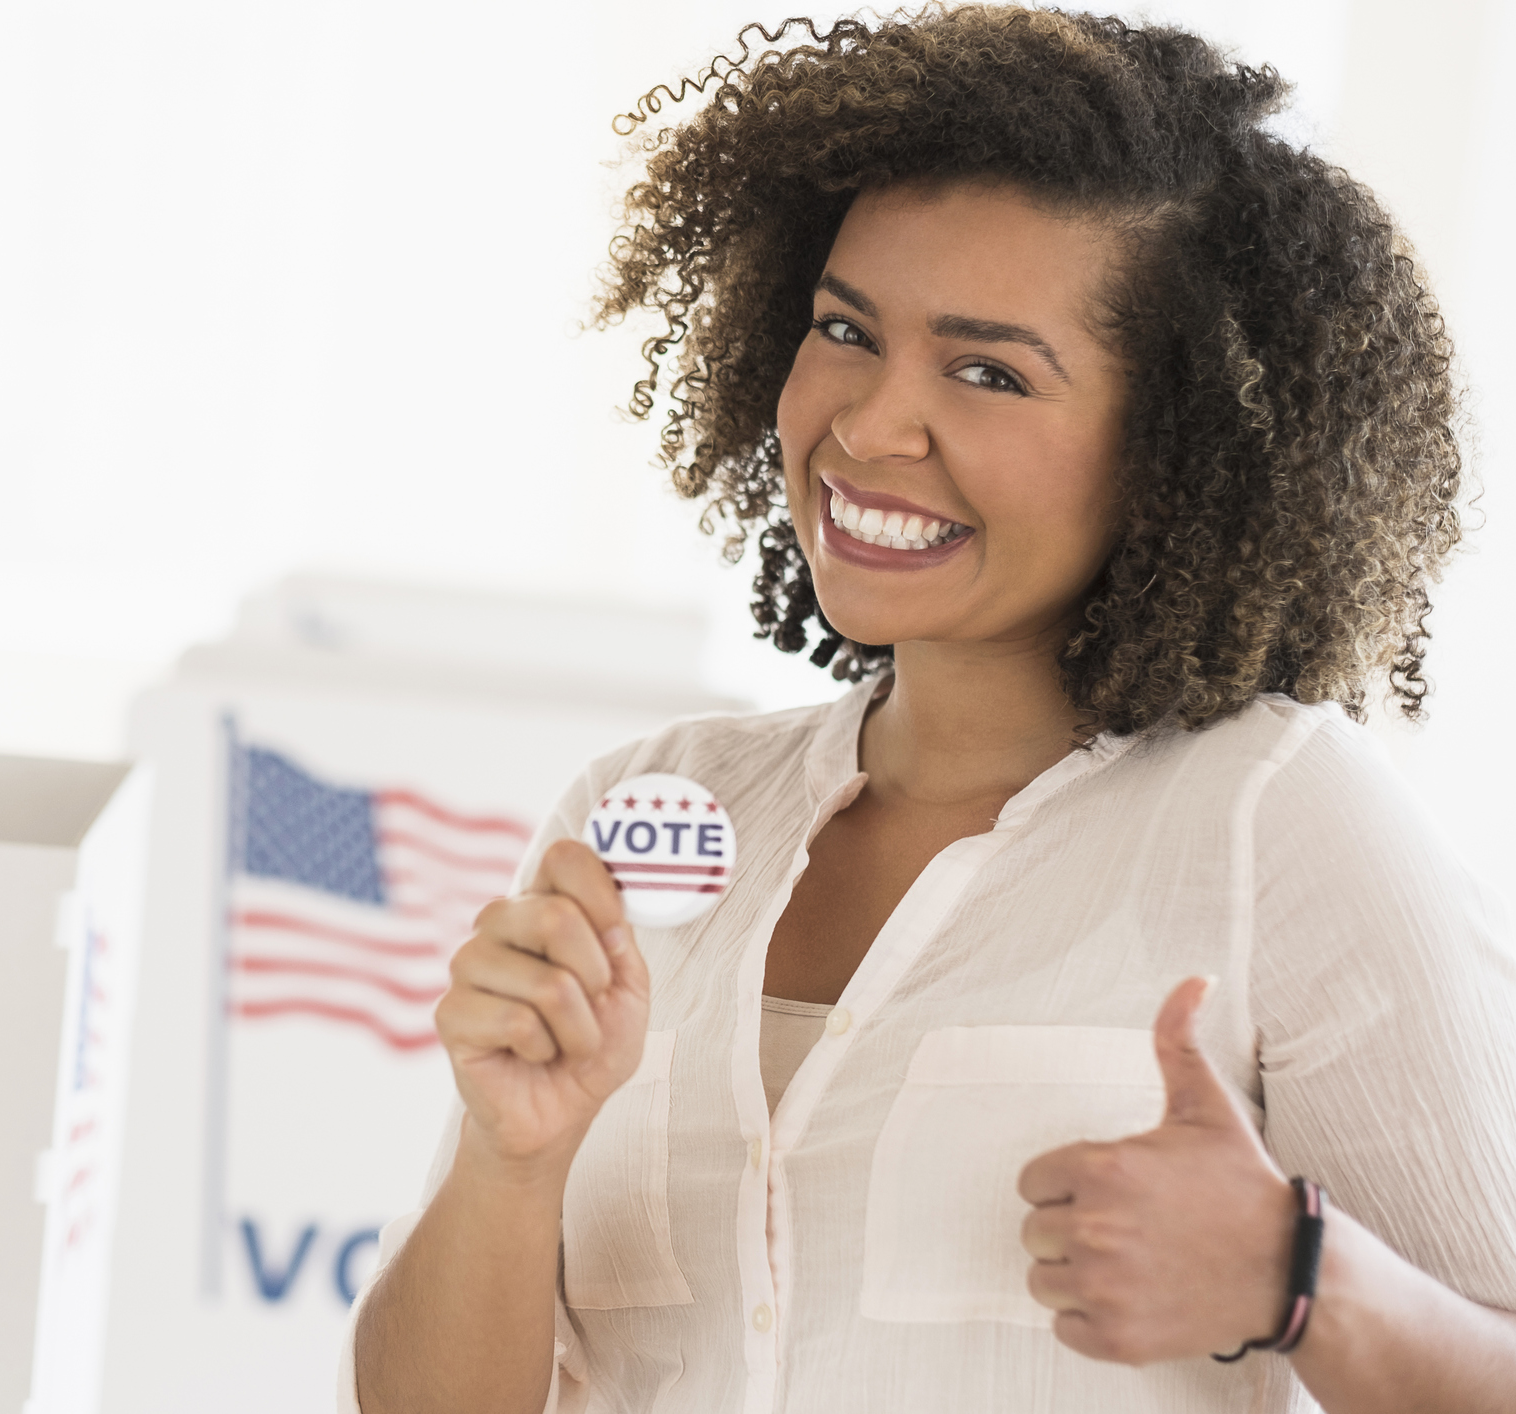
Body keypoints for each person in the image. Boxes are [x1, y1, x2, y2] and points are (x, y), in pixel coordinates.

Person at [342, 7, 1516, 1413]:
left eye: (988, 371)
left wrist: (1297, 1274)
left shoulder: (1275, 816)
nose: (869, 425)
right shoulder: (652, 807)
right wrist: (512, 1157)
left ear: (1177, 444)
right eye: (845, 329)